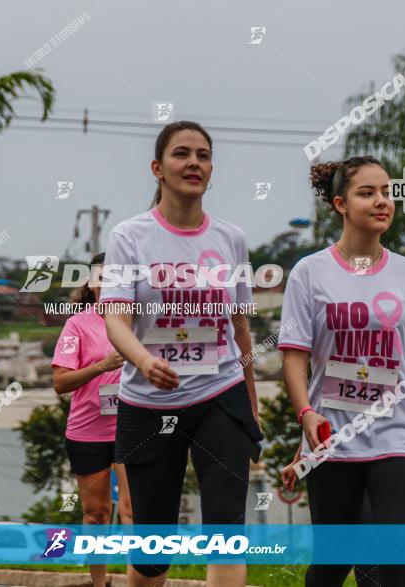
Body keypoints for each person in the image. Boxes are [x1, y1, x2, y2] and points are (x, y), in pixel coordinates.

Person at [100, 121, 263, 587]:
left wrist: (250, 401)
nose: (194, 163)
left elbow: (240, 325)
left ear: (211, 171)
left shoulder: (230, 238)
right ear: (158, 168)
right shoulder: (130, 236)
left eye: (204, 155)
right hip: (149, 404)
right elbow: (115, 317)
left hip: (220, 392)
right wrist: (144, 361)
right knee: (152, 554)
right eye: (181, 154)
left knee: (226, 530)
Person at [278, 157, 405, 587]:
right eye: (368, 193)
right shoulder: (309, 272)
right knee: (333, 564)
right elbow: (293, 355)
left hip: (397, 434)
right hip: (333, 438)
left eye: (386, 191)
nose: (382, 201)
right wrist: (306, 413)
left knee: (396, 565)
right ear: (341, 204)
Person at [51, 252, 134, 587]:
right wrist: (102, 365)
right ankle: (99, 583)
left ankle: (138, 581)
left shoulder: (140, 321)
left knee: (131, 511)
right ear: (91, 284)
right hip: (88, 432)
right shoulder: (77, 325)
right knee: (97, 514)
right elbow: (60, 383)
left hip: (132, 428)